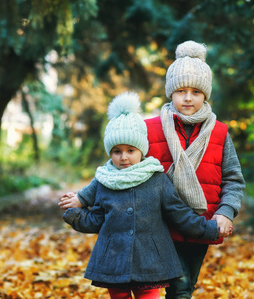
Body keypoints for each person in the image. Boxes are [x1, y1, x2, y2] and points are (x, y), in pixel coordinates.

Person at [60, 41, 246, 299]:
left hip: (200, 221)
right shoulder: (149, 129)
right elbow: (117, 169)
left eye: (195, 91)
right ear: (171, 92)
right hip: (157, 226)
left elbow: (233, 179)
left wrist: (226, 212)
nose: (188, 97)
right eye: (181, 90)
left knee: (186, 286)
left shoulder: (220, 133)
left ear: (206, 94)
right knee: (177, 289)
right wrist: (83, 197)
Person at [61, 91, 220, 299]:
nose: (123, 157)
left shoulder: (156, 179)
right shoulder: (104, 181)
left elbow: (178, 213)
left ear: (141, 150)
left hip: (150, 262)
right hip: (113, 261)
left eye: (130, 150)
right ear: (110, 153)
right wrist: (73, 214)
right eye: (117, 151)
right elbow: (96, 220)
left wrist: (210, 229)